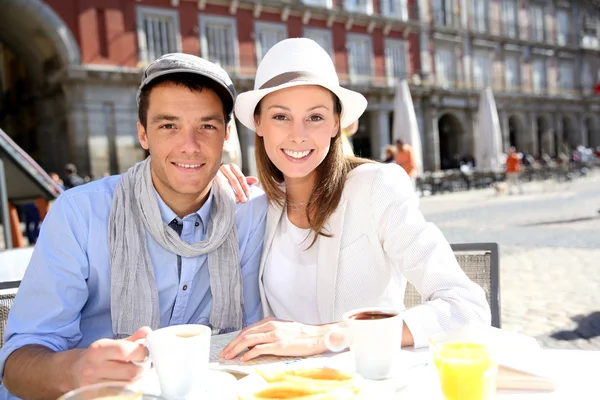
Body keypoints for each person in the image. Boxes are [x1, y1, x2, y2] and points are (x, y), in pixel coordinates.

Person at [0, 53, 267, 399]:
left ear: (227, 135)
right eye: (168, 125)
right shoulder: (80, 214)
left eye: (207, 126)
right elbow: (16, 363)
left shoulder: (248, 212)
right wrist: (76, 370)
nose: (190, 145)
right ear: (143, 133)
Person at [219, 38, 490, 362]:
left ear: (336, 124)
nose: (298, 134)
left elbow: (466, 307)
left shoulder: (377, 187)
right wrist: (207, 190)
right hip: (279, 387)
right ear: (259, 124)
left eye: (315, 117)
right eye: (280, 117)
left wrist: (328, 336)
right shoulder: (256, 207)